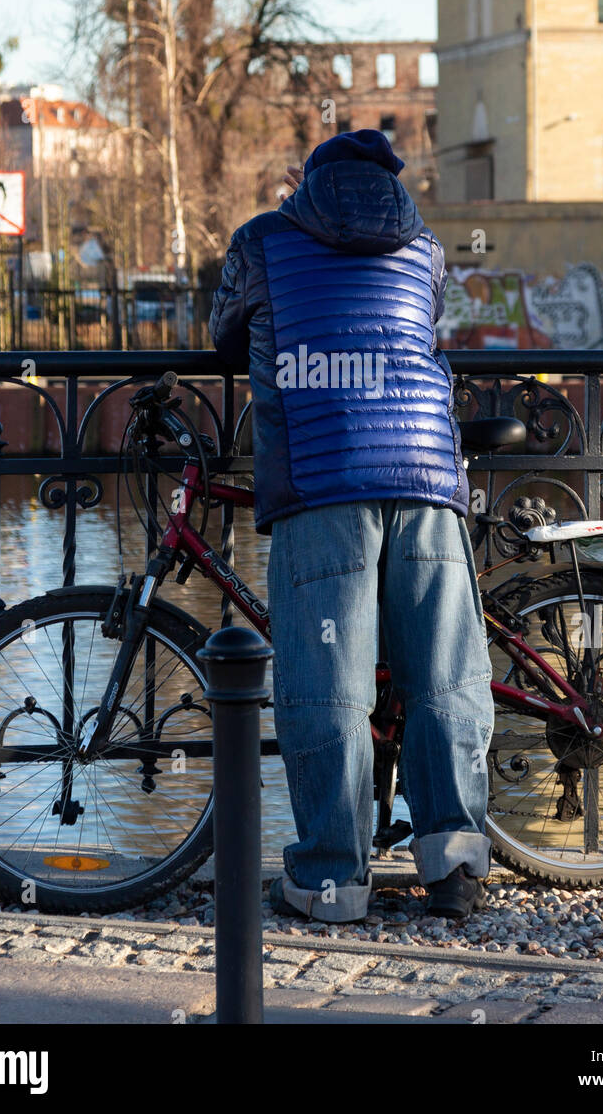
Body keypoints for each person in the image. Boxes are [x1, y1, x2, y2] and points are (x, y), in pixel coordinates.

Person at [209, 128, 493, 922]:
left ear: (308, 180)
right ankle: (455, 865)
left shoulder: (264, 239)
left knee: (327, 684)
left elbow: (224, 332)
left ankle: (332, 878)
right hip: (427, 474)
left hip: (323, 476)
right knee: (444, 672)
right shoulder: (426, 248)